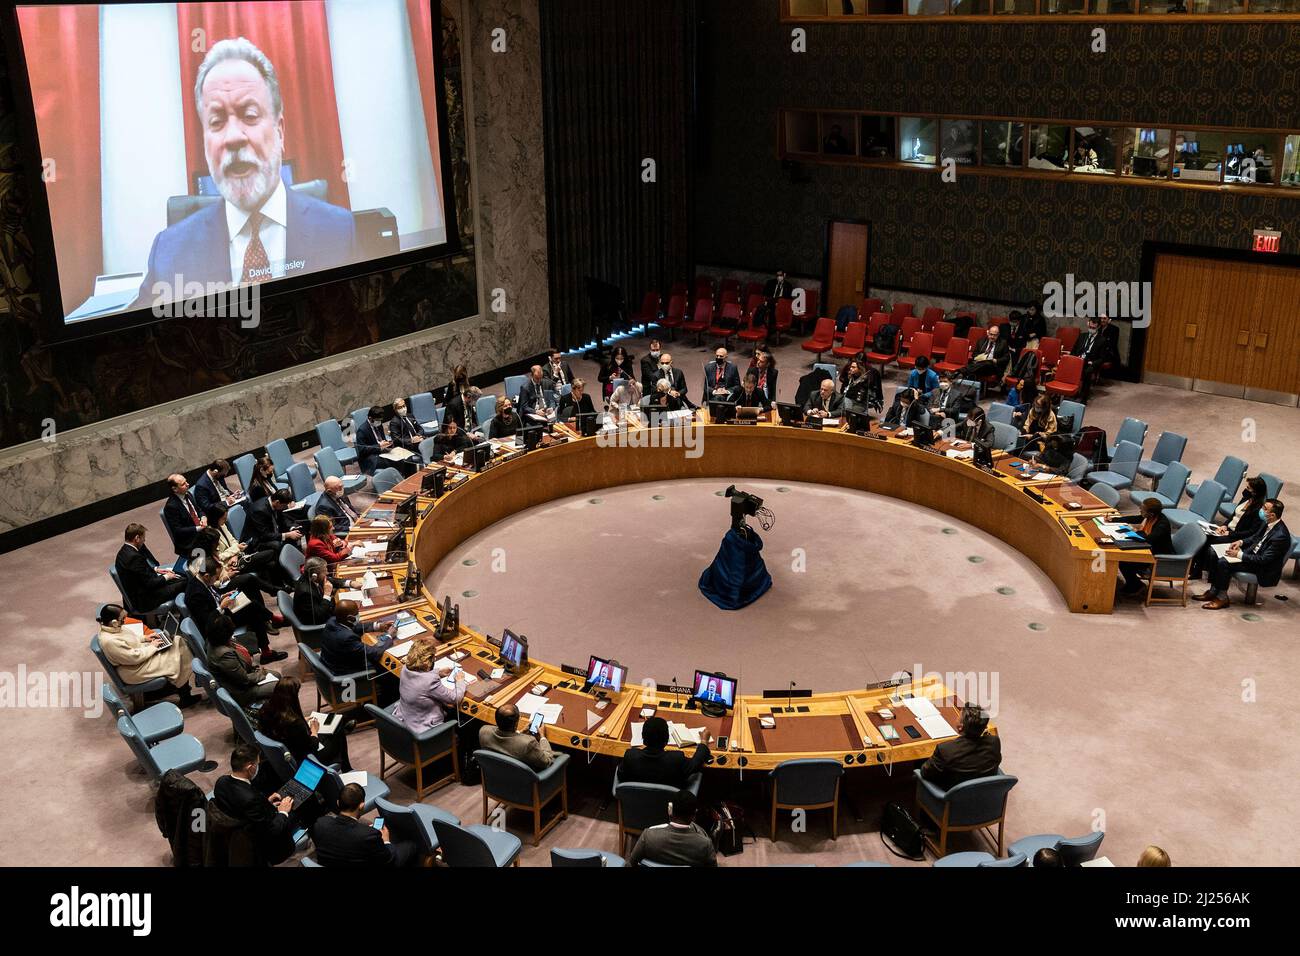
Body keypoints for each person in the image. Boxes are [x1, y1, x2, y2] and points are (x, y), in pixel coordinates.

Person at [134, 38, 355, 307]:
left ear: (280, 131)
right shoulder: (168, 255)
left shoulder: (343, 232)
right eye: (216, 122)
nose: (233, 138)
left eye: (250, 115)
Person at [186, 554, 284, 662]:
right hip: (217, 626)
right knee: (253, 609)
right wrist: (221, 606)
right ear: (207, 576)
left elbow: (212, 595)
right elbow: (207, 621)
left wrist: (223, 596)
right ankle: (269, 639)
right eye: (216, 577)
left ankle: (267, 650)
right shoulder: (195, 594)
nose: (217, 580)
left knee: (251, 605)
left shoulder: (202, 580)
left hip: (220, 613)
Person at [211, 743, 297, 866]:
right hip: (263, 846)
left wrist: (265, 802)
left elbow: (241, 808)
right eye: (257, 763)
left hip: (239, 830)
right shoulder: (251, 799)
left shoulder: (221, 782)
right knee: (297, 810)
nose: (258, 766)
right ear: (250, 768)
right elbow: (271, 831)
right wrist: (283, 812)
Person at [1195, 499, 1291, 610]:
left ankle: (1222, 598)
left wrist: (1239, 555)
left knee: (1223, 562)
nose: (1261, 510)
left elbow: (1263, 559)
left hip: (1262, 567)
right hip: (1252, 555)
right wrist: (1240, 542)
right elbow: (1255, 538)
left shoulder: (1280, 536)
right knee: (1213, 552)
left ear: (1272, 515)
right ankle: (1213, 591)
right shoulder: (1268, 522)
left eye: (1264, 508)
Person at [97, 604, 197, 708]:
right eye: (122, 619)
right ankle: (184, 694)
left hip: (138, 659)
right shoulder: (109, 641)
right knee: (175, 654)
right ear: (114, 622)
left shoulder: (112, 627)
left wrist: (145, 638)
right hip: (134, 670)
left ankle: (182, 690)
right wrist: (153, 647)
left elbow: (130, 638)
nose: (125, 621)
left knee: (177, 642)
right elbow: (133, 657)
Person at [258, 674, 352, 772]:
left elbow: (284, 726)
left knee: (333, 728)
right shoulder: (295, 724)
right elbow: (311, 747)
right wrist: (314, 731)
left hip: (289, 750)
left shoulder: (266, 709)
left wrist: (303, 720)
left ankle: (344, 723)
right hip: (307, 759)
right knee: (337, 731)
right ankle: (347, 768)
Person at [312, 783, 416, 867]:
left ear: (338, 803)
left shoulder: (320, 823)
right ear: (361, 806)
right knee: (410, 846)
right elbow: (388, 860)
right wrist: (386, 841)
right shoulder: (368, 836)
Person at [320, 600, 398, 705]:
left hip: (335, 663)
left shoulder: (333, 621)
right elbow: (375, 652)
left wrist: (378, 626)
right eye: (357, 614)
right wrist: (389, 636)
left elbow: (353, 626)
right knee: (391, 671)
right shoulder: (347, 638)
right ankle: (385, 705)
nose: (358, 616)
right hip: (347, 676)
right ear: (350, 618)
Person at [1192, 477, 1267, 580]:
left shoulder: (1258, 510)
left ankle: (1198, 571)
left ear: (1255, 492)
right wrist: (1224, 525)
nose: (1245, 490)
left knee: (1208, 541)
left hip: (1236, 535)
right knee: (1201, 536)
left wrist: (1230, 534)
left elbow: (1251, 532)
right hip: (1227, 530)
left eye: (1248, 488)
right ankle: (1194, 568)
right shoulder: (1246, 499)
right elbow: (1233, 515)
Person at [197, 504, 279, 597]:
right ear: (216, 518)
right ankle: (277, 589)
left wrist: (235, 554)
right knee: (271, 553)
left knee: (270, 563)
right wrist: (235, 550)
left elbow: (233, 541)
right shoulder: (210, 536)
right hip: (230, 566)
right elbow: (219, 556)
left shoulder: (222, 525)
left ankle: (277, 588)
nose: (226, 520)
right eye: (223, 518)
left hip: (236, 558)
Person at [205, 610, 279, 707]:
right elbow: (244, 680)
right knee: (282, 686)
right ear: (226, 631)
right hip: (242, 692)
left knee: (277, 675)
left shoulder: (215, 640)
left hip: (242, 679)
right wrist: (262, 673)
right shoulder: (224, 654)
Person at [919, 703, 1001, 789]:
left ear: (960, 727)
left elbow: (925, 772)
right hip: (984, 791)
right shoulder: (994, 742)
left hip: (953, 795)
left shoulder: (945, 750)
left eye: (958, 715)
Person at [627, 790, 717, 867]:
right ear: (693, 816)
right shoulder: (705, 844)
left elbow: (631, 864)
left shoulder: (648, 836)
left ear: (670, 811)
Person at [391, 640, 464, 733]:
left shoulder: (405, 668)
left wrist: (438, 673)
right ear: (428, 660)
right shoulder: (430, 681)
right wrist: (460, 681)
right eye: (434, 658)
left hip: (405, 720)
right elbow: (455, 698)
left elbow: (419, 679)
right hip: (422, 730)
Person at [619, 716, 711, 787]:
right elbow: (696, 762)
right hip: (670, 804)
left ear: (643, 737)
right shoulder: (676, 760)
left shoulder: (630, 756)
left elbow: (621, 776)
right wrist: (704, 741)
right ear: (667, 739)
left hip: (636, 803)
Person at [114, 523, 186, 613]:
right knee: (185, 581)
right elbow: (150, 583)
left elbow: (137, 573)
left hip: (139, 591)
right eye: (143, 537)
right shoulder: (134, 557)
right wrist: (167, 577)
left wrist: (155, 570)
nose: (144, 540)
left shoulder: (122, 552)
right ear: (137, 538)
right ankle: (185, 613)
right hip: (146, 599)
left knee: (178, 577)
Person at [1117, 498, 1174, 596]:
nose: (1140, 510)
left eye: (1142, 509)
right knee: (1123, 558)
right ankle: (1133, 584)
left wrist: (1131, 534)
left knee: (1124, 561)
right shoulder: (1151, 516)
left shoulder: (1162, 524)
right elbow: (1135, 518)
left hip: (1159, 556)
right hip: (1149, 549)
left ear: (1150, 514)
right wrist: (1114, 520)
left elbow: (1149, 539)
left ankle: (1137, 585)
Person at [477, 703, 554, 770]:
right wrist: (542, 737)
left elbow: (505, 743)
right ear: (516, 723)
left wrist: (520, 732)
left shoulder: (483, 731)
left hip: (495, 774)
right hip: (522, 780)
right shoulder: (528, 743)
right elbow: (546, 761)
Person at [241, 487, 303, 556]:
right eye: (284, 506)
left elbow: (282, 519)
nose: (285, 508)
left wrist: (292, 528)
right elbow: (265, 535)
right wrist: (288, 535)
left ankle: (296, 557)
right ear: (277, 502)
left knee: (296, 530)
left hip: (270, 531)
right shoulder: (259, 511)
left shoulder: (274, 502)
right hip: (256, 541)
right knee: (277, 544)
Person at [162, 473, 207, 561]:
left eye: (186, 481)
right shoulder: (171, 507)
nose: (188, 484)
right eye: (183, 484)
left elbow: (199, 510)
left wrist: (203, 517)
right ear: (174, 489)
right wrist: (198, 528)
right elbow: (178, 530)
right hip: (189, 541)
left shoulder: (188, 494)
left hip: (201, 532)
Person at [294, 557, 336, 626]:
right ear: (315, 575)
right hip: (320, 624)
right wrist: (327, 594)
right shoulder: (305, 593)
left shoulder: (309, 577)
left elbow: (329, 579)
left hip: (324, 611)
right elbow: (318, 617)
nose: (327, 573)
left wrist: (350, 583)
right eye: (324, 572)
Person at [354, 405, 393, 476]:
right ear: (370, 418)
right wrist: (379, 446)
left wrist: (387, 443)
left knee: (398, 458)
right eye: (377, 420)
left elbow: (382, 439)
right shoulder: (362, 430)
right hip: (369, 457)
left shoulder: (379, 425)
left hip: (381, 451)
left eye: (381, 420)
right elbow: (362, 450)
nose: (379, 422)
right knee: (389, 462)